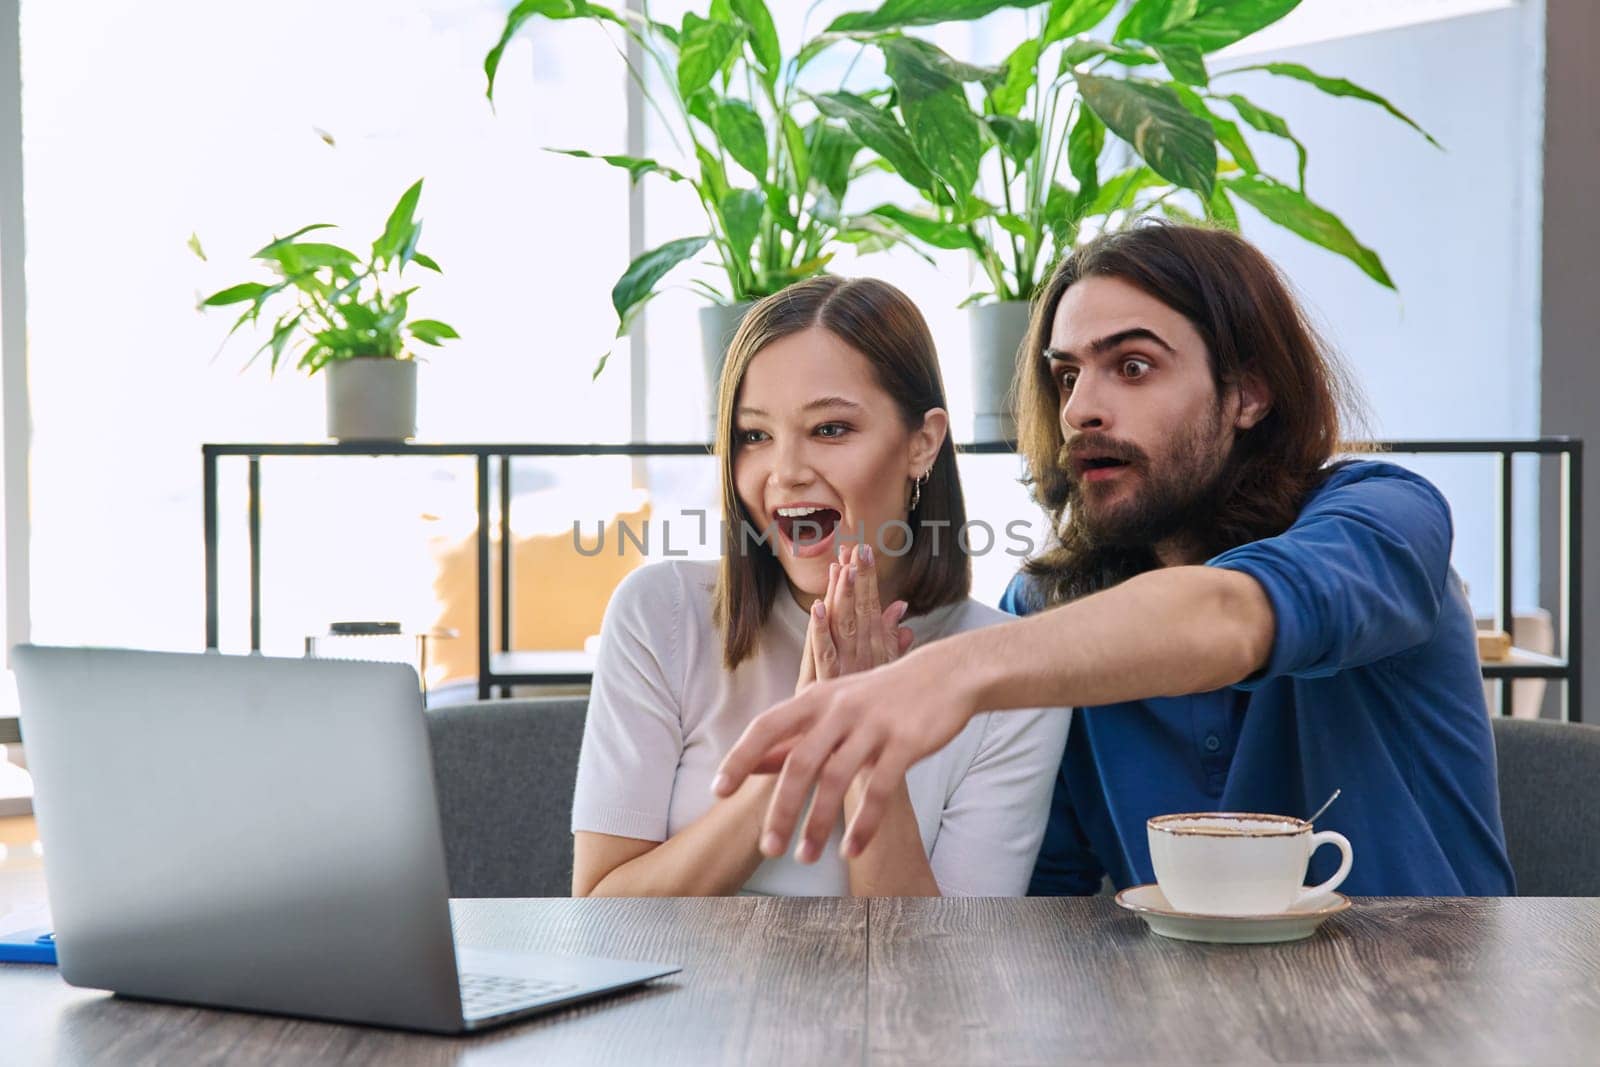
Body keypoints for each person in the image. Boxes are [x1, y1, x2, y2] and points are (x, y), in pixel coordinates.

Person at [712, 222, 1516, 897]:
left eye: (1132, 366)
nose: (1081, 410)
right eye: (1066, 376)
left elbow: (1231, 615)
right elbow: (1037, 929)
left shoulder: (1386, 516)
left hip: (1431, 1025)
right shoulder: (1047, 609)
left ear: (1248, 393)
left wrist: (946, 672)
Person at [570, 275, 1069, 897]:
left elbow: (945, 969)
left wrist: (862, 740)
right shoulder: (661, 616)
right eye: (755, 436)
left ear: (923, 443)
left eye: (830, 429)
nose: (786, 472)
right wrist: (792, 755)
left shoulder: (1009, 677)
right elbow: (598, 909)